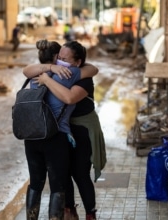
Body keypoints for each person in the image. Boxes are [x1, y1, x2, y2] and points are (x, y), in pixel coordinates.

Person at [25, 41, 106, 220]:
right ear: (54, 59)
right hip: (56, 136)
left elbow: (90, 73)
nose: (61, 62)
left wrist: (46, 75)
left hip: (38, 134)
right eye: (59, 58)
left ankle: (84, 213)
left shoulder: (39, 74)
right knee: (59, 181)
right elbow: (92, 69)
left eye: (64, 59)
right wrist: (50, 71)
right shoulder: (64, 72)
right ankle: (69, 212)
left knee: (71, 175)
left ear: (77, 62)